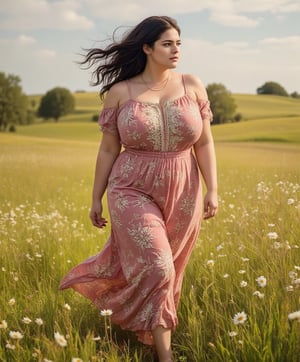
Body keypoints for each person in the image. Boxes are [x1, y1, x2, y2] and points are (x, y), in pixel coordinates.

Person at [59, 15, 218, 362]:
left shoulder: (192, 85)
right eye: (167, 43)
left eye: (178, 43)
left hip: (183, 189)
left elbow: (204, 143)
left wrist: (212, 189)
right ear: (147, 48)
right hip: (130, 187)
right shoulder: (121, 92)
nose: (176, 50)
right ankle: (166, 355)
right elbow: (107, 149)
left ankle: (144, 326)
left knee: (169, 271)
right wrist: (95, 197)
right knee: (160, 266)